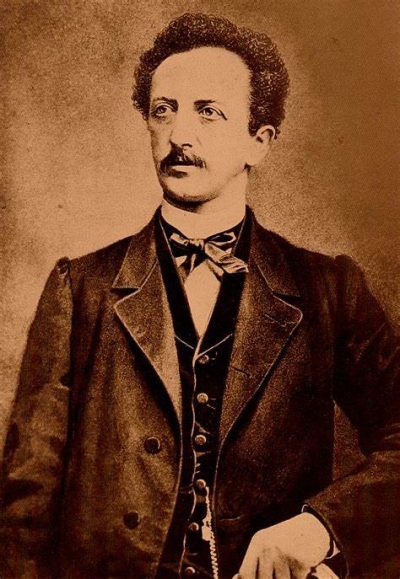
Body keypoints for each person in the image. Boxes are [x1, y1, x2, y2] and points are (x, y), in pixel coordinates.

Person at [1, 12, 399, 579]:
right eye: (163, 110)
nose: (179, 135)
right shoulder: (79, 287)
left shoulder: (329, 290)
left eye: (208, 111)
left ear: (258, 142)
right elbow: (25, 510)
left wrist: (322, 528)